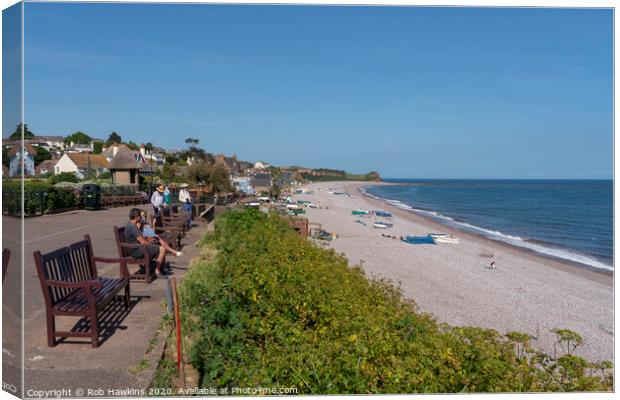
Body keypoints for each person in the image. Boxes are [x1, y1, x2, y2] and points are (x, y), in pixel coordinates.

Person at [125, 208, 169, 276]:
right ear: (137, 217)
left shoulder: (130, 224)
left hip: (136, 248)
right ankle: (157, 271)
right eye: (140, 216)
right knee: (162, 249)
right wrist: (152, 245)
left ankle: (162, 268)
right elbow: (143, 242)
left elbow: (141, 239)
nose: (141, 218)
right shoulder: (133, 227)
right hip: (137, 251)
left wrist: (150, 241)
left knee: (159, 246)